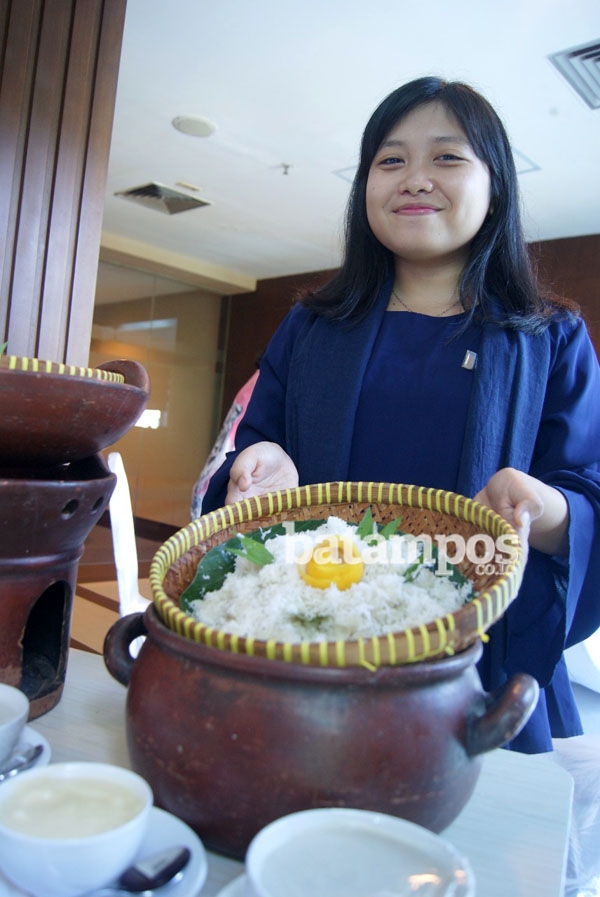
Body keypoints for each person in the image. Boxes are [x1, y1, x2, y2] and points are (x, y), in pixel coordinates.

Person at [202, 76, 600, 753]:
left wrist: (549, 508)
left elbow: (586, 494)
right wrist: (257, 468)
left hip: (474, 673)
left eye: (447, 157)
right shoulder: (309, 328)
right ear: (366, 189)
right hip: (306, 656)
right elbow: (250, 461)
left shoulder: (551, 340)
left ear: (496, 185)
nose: (415, 178)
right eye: (391, 160)